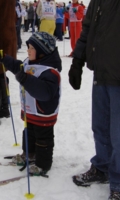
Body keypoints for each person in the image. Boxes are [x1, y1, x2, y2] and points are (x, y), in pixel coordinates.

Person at [68, 0, 120, 199]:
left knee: (118, 135)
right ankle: (102, 167)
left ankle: (117, 182)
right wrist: (77, 62)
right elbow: (87, 29)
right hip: (101, 73)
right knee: (100, 127)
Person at [0, 32, 62, 175]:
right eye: (28, 47)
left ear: (41, 52)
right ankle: (29, 153)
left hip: (43, 112)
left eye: (32, 48)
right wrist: (6, 60)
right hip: (30, 110)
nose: (28, 50)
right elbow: (18, 67)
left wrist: (26, 80)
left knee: (43, 139)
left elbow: (44, 92)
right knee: (29, 133)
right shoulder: (30, 63)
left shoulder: (49, 72)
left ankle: (42, 164)